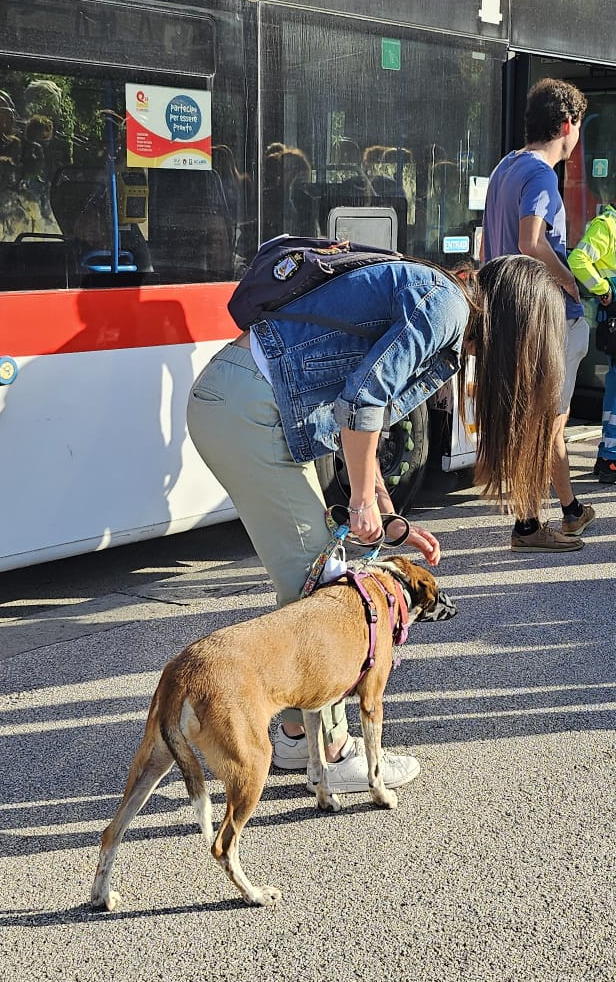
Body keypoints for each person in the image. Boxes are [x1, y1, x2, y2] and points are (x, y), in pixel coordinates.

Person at [187, 251, 568, 795]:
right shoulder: (445, 308)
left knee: (310, 580)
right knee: (321, 588)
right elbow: (362, 402)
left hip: (246, 401)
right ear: (515, 321)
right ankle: (331, 752)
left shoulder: (442, 304)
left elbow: (361, 413)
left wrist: (386, 515)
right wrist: (363, 499)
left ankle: (296, 733)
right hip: (248, 408)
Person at [482, 77, 595, 552]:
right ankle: (529, 524)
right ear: (567, 125)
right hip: (545, 313)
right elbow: (531, 242)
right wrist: (571, 283)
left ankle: (568, 510)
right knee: (546, 421)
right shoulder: (543, 175)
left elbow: (491, 246)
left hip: (508, 309)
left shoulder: (505, 167)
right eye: (579, 127)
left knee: (535, 418)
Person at [568, 202, 616, 483]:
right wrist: (604, 289)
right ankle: (611, 459)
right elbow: (578, 259)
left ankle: (607, 456)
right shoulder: (607, 225)